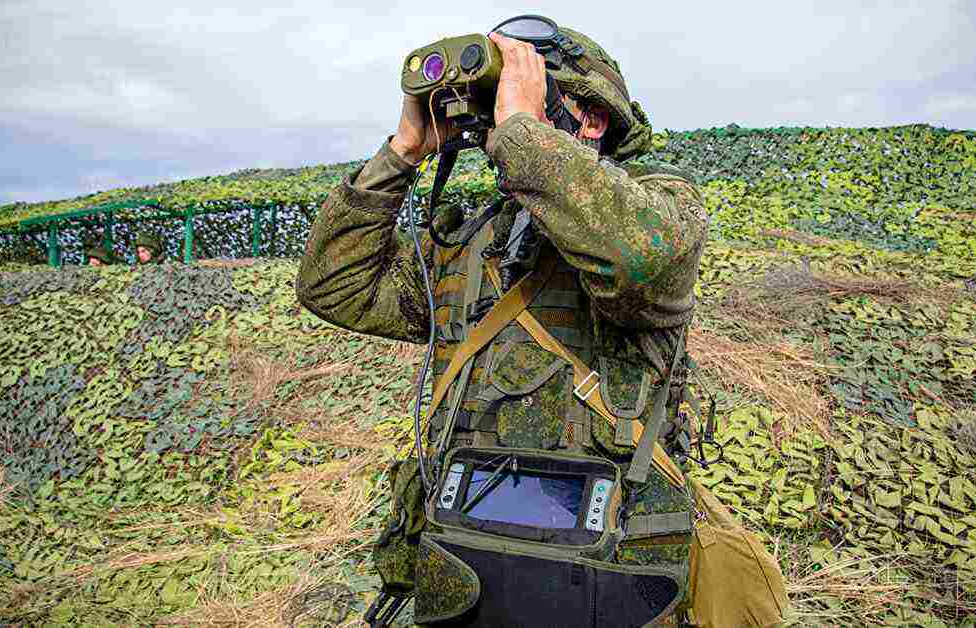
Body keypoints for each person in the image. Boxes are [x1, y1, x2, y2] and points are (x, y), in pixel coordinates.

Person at [297, 23, 785, 627]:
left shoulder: (655, 205)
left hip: (608, 579)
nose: (503, 114)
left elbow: (637, 262)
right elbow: (333, 285)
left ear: (593, 120)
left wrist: (522, 134)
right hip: (465, 567)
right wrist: (402, 152)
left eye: (522, 91)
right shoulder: (474, 239)